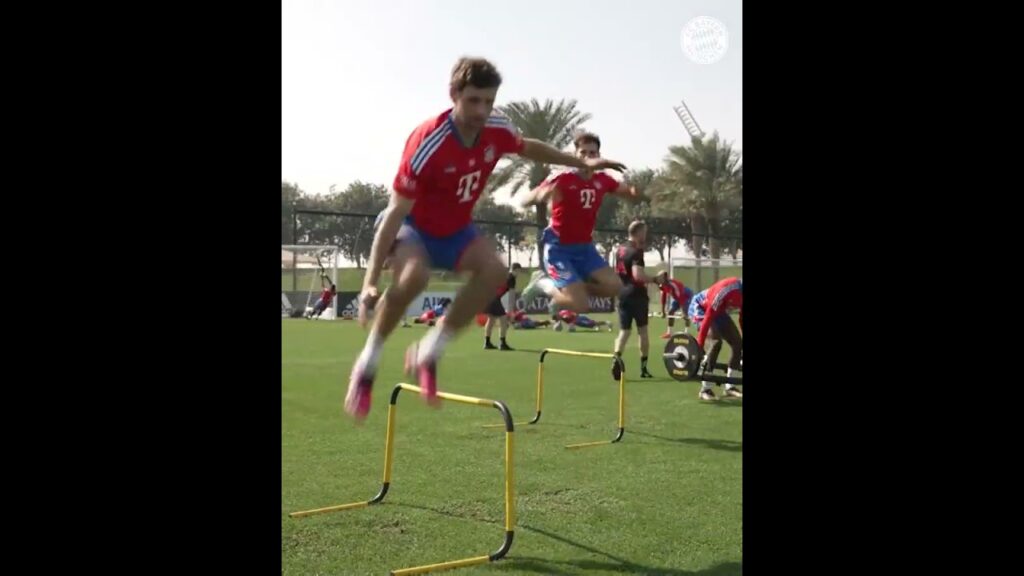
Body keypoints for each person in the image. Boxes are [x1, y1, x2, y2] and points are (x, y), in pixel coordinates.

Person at [345, 56, 627, 420]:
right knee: (415, 277)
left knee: (495, 272)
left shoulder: (495, 128)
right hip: (412, 225)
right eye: (473, 100)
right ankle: (367, 365)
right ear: (454, 95)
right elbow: (395, 212)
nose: (482, 110)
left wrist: (580, 163)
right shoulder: (428, 141)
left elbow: (529, 146)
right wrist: (369, 283)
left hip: (456, 229)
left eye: (489, 102)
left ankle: (429, 352)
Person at [518, 131, 642, 313]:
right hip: (558, 248)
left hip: (584, 248)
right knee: (580, 305)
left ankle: (570, 295)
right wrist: (539, 195)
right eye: (583, 153)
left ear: (598, 156)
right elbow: (525, 201)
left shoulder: (603, 180)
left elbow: (628, 192)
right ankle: (543, 285)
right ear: (575, 156)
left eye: (592, 153)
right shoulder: (563, 178)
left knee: (615, 287)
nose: (587, 157)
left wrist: (636, 191)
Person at [612, 221, 654, 379]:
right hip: (637, 295)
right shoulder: (636, 252)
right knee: (642, 331)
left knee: (624, 331)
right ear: (638, 233)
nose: (645, 235)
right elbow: (638, 276)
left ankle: (616, 357)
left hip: (622, 293)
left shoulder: (620, 250)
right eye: (644, 232)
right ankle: (644, 368)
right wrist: (655, 279)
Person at [689, 277, 743, 400]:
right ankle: (705, 389)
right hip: (701, 307)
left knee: (738, 343)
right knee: (716, 342)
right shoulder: (728, 289)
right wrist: (699, 346)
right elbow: (708, 317)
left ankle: (730, 386)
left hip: (719, 312)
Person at [484, 263, 521, 350]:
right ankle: (502, 343)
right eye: (519, 271)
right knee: (503, 320)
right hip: (493, 298)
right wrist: (511, 312)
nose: (519, 274)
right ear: (516, 270)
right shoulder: (511, 278)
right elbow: (512, 296)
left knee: (491, 319)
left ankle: (487, 343)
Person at [653, 271, 693, 338]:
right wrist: (663, 311)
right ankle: (669, 333)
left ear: (665, 278)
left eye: (660, 278)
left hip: (686, 296)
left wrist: (683, 312)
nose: (659, 279)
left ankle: (686, 333)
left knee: (686, 314)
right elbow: (664, 297)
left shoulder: (674, 284)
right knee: (670, 312)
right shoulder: (662, 285)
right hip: (677, 297)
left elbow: (681, 298)